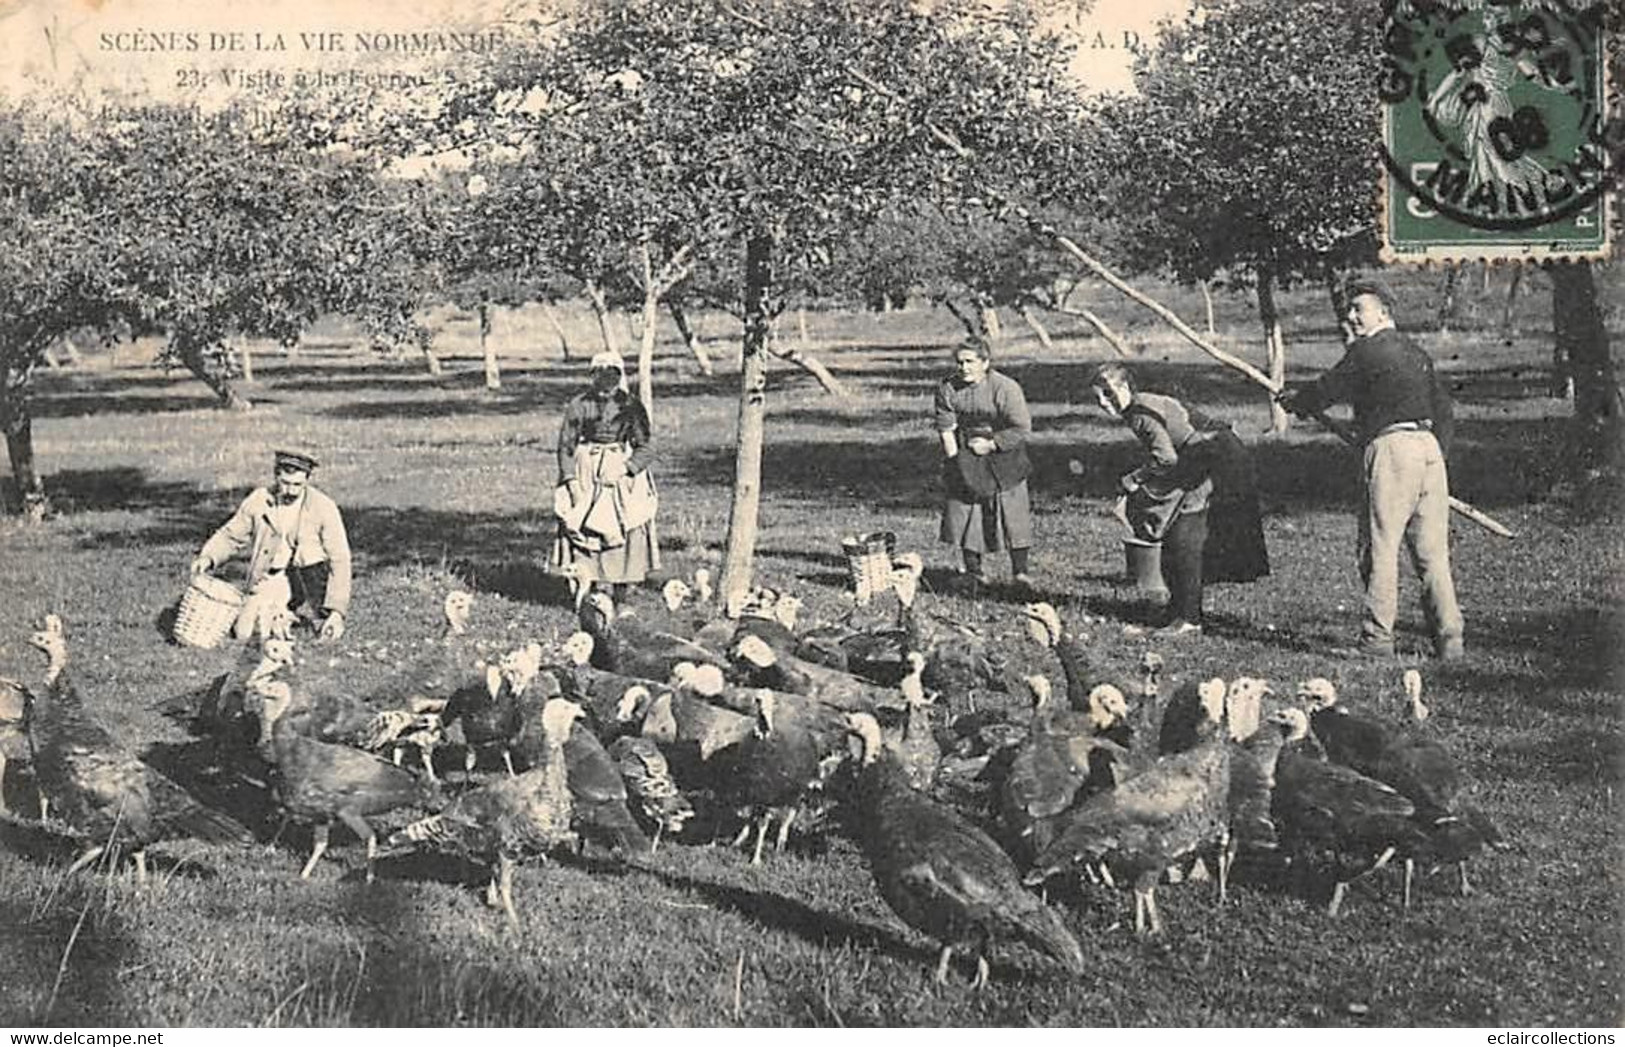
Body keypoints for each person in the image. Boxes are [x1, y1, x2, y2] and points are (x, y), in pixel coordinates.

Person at [1277, 279, 1463, 660]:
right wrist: (1433, 454)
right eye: (1350, 308)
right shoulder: (1416, 353)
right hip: (1429, 451)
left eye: (1358, 308)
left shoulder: (1367, 350)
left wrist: (1295, 400)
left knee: (1380, 548)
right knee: (1432, 554)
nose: (1351, 316)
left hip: (1392, 450)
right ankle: (1450, 641)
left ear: (1383, 312)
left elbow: (1327, 389)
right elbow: (1444, 411)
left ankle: (1377, 641)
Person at [1090, 364, 1215, 637]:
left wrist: (1136, 478)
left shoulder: (1141, 414)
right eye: (1098, 397)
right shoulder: (1137, 408)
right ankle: (1177, 609)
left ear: (1125, 388)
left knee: (1183, 542)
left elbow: (1166, 459)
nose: (1103, 403)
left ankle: (1189, 619)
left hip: (1208, 460)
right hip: (1194, 461)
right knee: (1172, 539)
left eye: (1108, 394)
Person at [192, 449, 352, 643]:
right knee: (244, 633)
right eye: (285, 483)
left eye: (297, 485)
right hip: (270, 577)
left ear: (307, 480)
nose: (291, 491)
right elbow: (231, 535)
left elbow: (340, 558)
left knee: (275, 629)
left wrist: (337, 611)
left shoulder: (323, 507)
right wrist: (208, 557)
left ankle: (305, 613)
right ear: (276, 476)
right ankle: (283, 615)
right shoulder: (259, 500)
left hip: (308, 579)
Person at [551, 351, 659, 602]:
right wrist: (572, 482)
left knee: (628, 518)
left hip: (619, 469)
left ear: (619, 377)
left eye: (612, 375)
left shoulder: (631, 405)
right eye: (601, 375)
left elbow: (646, 446)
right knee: (582, 517)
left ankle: (621, 585)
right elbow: (566, 445)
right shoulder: (579, 405)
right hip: (586, 467)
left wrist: (625, 468)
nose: (606, 382)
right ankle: (588, 584)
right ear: (593, 376)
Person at [933, 337, 1034, 590]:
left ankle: (1020, 573)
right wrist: (956, 463)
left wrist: (992, 444)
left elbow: (1021, 428)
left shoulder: (1005, 388)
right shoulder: (947, 388)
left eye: (970, 362)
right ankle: (974, 572)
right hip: (967, 450)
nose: (964, 367)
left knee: (1012, 509)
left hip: (1004, 449)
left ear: (985, 363)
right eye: (959, 362)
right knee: (966, 508)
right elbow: (946, 429)